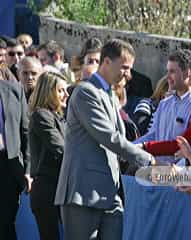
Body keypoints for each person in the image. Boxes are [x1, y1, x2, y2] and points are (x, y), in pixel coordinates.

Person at [54, 38, 158, 239]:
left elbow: (119, 138)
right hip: (84, 193)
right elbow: (109, 137)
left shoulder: (109, 93)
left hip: (110, 192)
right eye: (124, 67)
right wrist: (148, 159)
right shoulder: (86, 92)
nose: (128, 74)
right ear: (107, 62)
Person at [135, 50, 191, 163]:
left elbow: (186, 145)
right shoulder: (164, 103)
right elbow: (152, 135)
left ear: (187, 73)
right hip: (156, 169)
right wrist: (130, 147)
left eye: (172, 71)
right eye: (167, 71)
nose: (167, 76)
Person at [28, 72, 68, 240]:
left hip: (60, 187)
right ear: (48, 92)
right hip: (47, 189)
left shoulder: (60, 117)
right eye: (61, 90)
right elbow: (61, 149)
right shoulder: (41, 115)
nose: (66, 94)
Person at [0, 80, 30, 239]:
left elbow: (26, 132)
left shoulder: (14, 90)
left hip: (8, 166)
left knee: (6, 224)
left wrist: (28, 169)